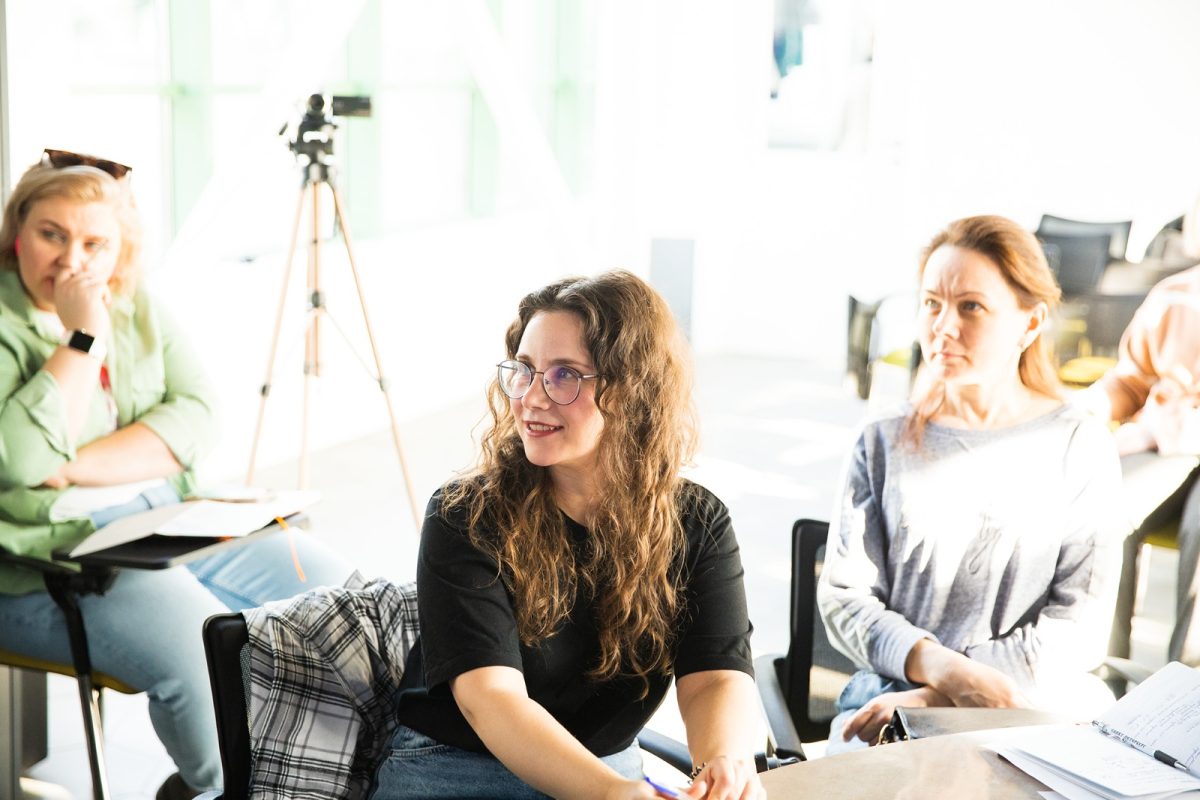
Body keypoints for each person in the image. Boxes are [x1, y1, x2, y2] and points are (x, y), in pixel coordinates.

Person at [0, 150, 354, 800]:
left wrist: (68, 463)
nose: (72, 261)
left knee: (333, 596)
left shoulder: (135, 306)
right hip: (46, 564)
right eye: (52, 234)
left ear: (119, 251)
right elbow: (17, 462)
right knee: (204, 643)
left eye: (94, 242)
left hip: (166, 518)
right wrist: (81, 340)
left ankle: (321, 775)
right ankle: (229, 789)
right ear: (18, 231)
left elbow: (198, 416)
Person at [370, 271, 765, 800]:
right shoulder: (466, 515)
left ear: (629, 390)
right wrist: (609, 792)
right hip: (458, 769)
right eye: (525, 371)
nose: (531, 397)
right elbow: (491, 699)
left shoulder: (697, 521)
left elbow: (716, 675)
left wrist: (724, 761)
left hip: (609, 771)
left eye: (564, 375)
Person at [818, 215, 1125, 752]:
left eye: (971, 307)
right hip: (888, 703)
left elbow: (1079, 624)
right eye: (931, 303)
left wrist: (940, 697)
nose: (943, 327)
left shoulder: (1080, 445)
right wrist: (939, 670)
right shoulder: (881, 440)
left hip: (1027, 704)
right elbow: (846, 598)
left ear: (1030, 324)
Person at [1076, 202, 1200, 665]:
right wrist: (1087, 407)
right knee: (1102, 508)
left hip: (1181, 438)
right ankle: (1101, 669)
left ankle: (1186, 689)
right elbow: (1132, 379)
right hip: (1163, 440)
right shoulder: (1174, 295)